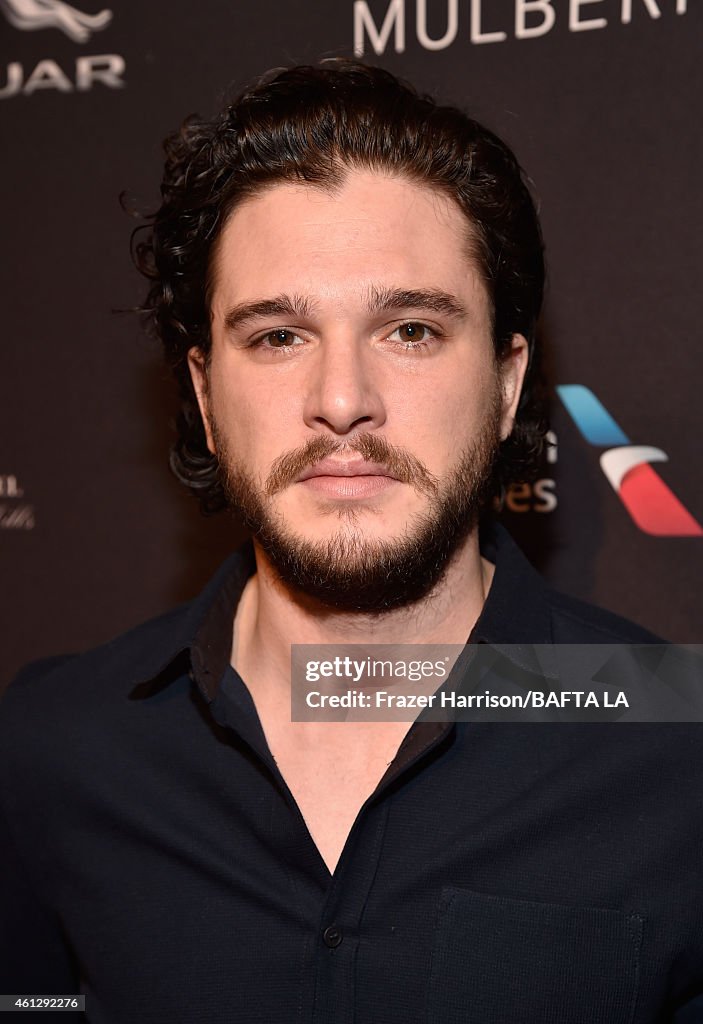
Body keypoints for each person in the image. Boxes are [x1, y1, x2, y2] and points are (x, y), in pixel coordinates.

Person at [1, 60, 701, 1023]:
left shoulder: (678, 752)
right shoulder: (54, 749)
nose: (341, 401)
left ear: (505, 386)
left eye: (409, 329)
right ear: (205, 397)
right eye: (278, 336)